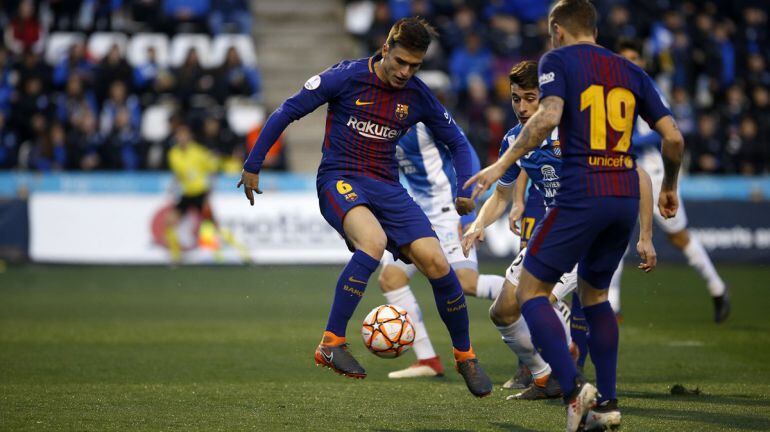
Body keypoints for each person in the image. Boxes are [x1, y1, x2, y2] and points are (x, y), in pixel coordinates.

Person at [238, 17, 493, 397]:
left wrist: (464, 189)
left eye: (415, 66)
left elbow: (458, 143)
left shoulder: (418, 95)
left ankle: (464, 355)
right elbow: (287, 110)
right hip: (339, 179)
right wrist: (254, 163)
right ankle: (331, 342)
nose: (406, 72)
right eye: (401, 62)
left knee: (438, 264)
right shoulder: (345, 77)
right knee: (372, 242)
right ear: (386, 47)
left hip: (387, 187)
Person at [464, 1, 683, 430]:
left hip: (583, 191)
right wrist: (670, 186)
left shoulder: (558, 60)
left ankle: (571, 389)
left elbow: (547, 117)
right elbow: (673, 138)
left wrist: (497, 164)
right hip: (622, 190)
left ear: (557, 29)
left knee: (529, 294)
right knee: (597, 297)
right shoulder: (631, 71)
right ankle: (608, 400)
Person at [462, 60, 655, 402]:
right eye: (516, 99)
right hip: (552, 233)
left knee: (539, 301)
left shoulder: (580, 129)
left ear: (547, 96)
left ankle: (575, 380)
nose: (522, 107)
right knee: (503, 311)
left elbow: (638, 175)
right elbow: (502, 195)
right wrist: (478, 224)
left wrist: (645, 236)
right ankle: (544, 376)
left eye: (530, 98)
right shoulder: (514, 141)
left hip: (587, 231)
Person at [612, 38, 730, 323]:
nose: (629, 62)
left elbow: (665, 130)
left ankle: (717, 287)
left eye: (633, 57)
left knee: (679, 236)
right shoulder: (611, 89)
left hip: (652, 174)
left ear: (641, 61)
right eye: (624, 57)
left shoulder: (647, 86)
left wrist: (630, 142)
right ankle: (612, 306)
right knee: (615, 238)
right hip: (621, 172)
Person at [378, 122, 506, 379]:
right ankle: (428, 359)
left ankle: (527, 293)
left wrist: (468, 208)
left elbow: (465, 150)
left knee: (466, 282)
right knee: (391, 279)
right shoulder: (381, 126)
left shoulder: (423, 120)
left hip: (448, 211)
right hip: (415, 214)